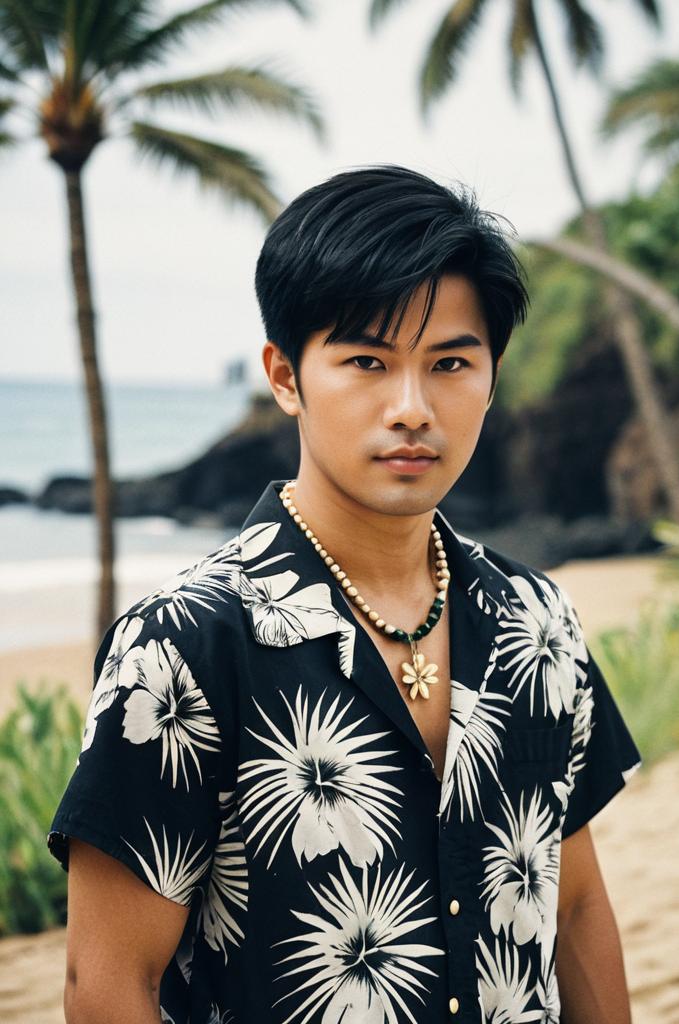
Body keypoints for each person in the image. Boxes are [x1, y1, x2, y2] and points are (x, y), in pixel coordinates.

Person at [48, 164, 643, 1024]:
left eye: (449, 363)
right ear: (285, 377)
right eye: (366, 360)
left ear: (492, 374)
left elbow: (575, 907)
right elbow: (105, 983)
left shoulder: (536, 620)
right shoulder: (184, 644)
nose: (411, 407)